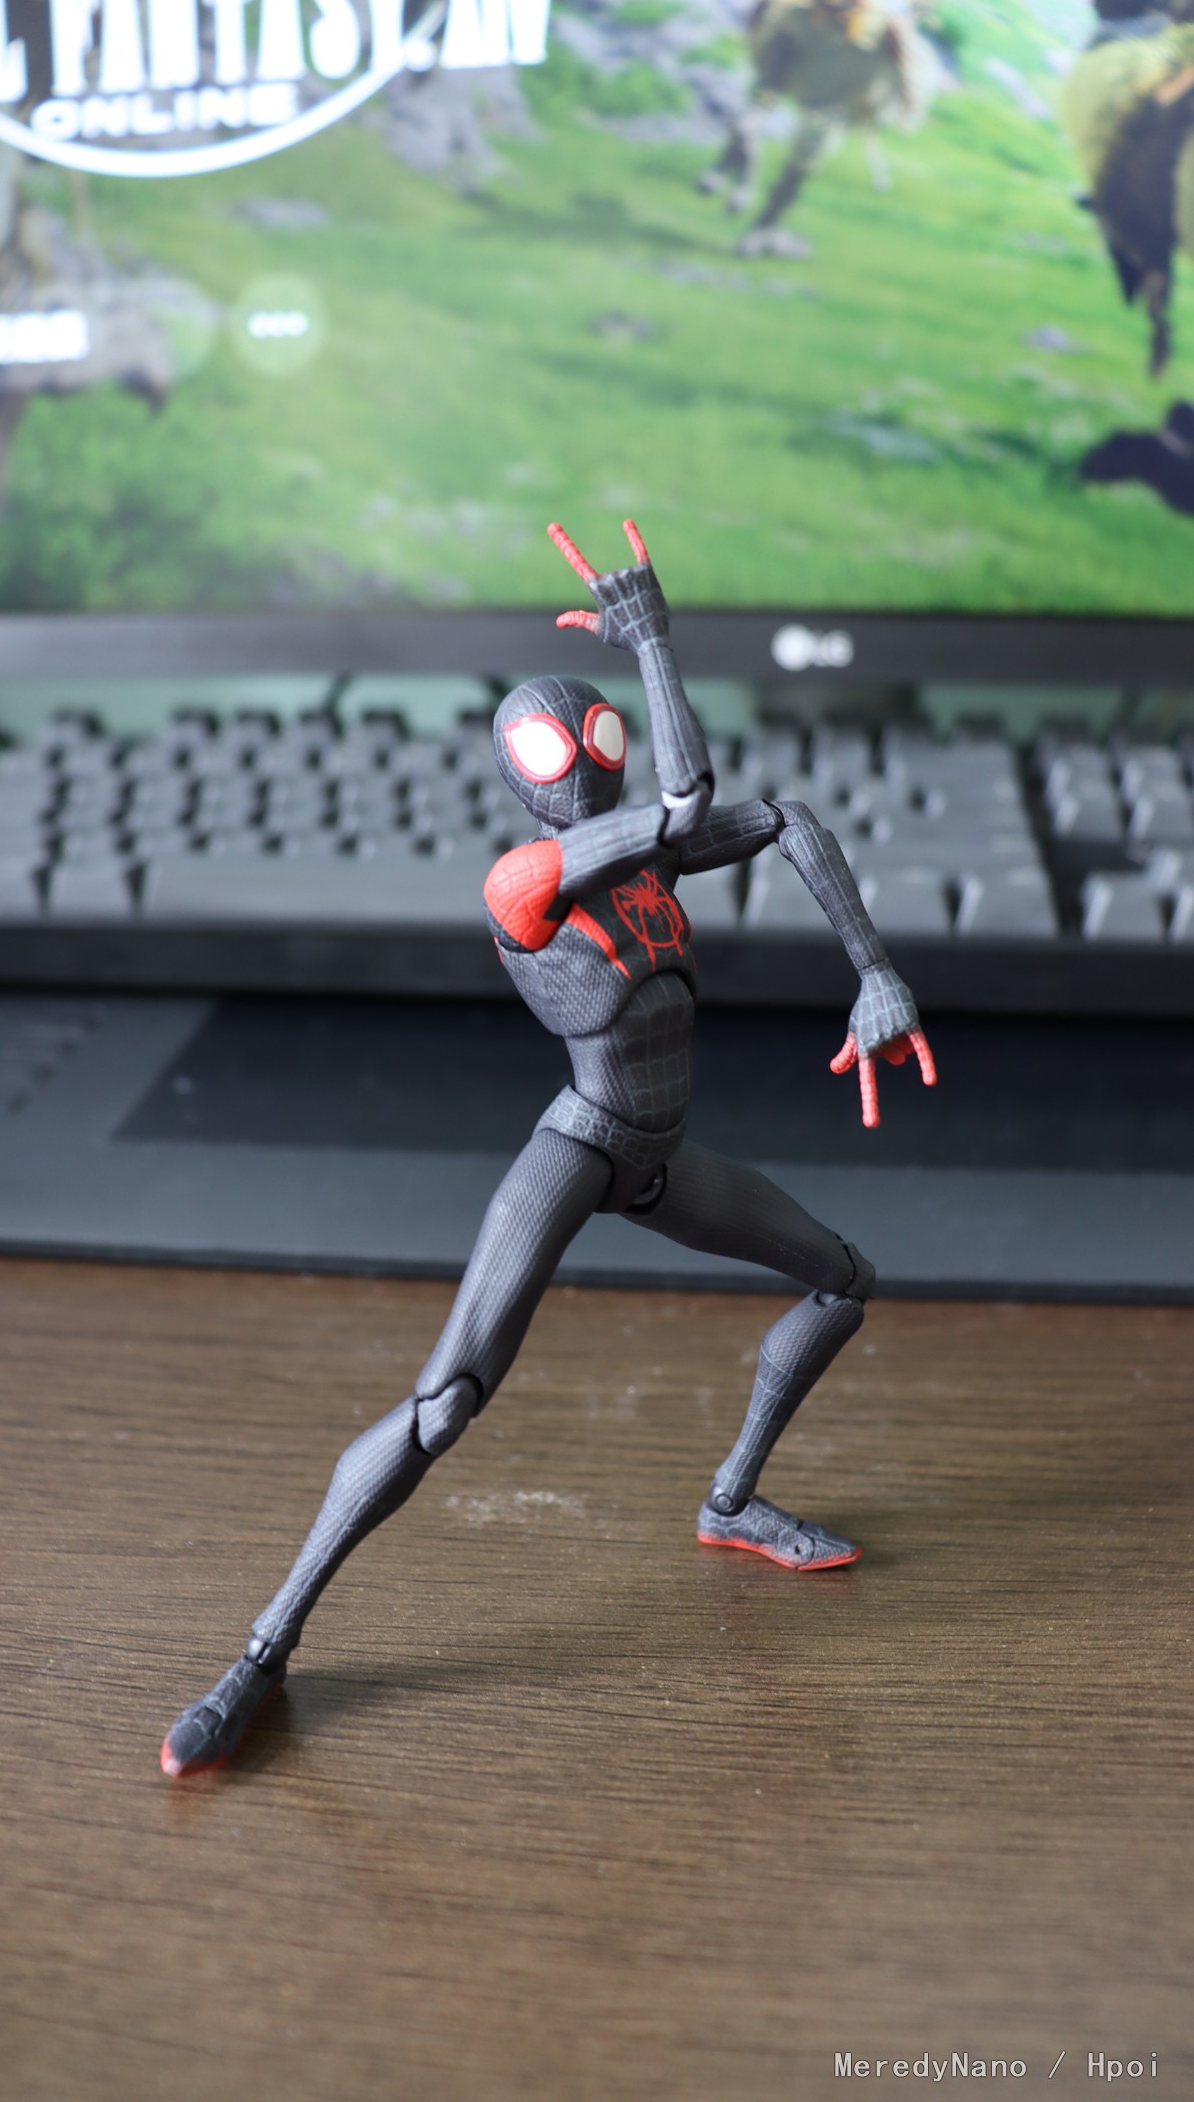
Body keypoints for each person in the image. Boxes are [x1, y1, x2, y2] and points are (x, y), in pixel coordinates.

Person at [161, 519, 935, 1778]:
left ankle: (732, 1501)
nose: (580, 764)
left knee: (842, 1278)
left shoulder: (649, 862)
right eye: (552, 748)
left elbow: (789, 820)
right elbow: (683, 799)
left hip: (663, 1160)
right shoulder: (525, 879)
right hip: (578, 1149)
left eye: (594, 738)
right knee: (446, 1400)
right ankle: (261, 1651)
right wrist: (653, 641)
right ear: (520, 776)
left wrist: (875, 970)